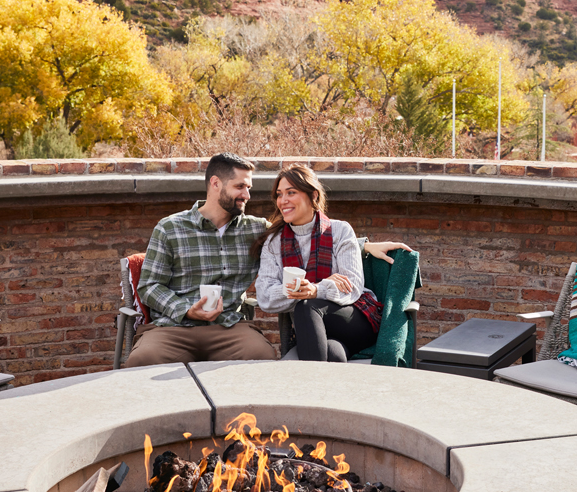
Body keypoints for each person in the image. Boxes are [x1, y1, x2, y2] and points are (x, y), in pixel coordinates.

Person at [125, 153, 407, 367]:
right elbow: (149, 287)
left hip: (228, 326)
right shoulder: (171, 228)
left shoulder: (256, 229)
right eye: (240, 187)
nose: (247, 195)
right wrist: (187, 310)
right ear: (215, 184)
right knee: (141, 362)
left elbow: (317, 234)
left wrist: (364, 246)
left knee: (262, 357)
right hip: (173, 328)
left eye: (249, 188)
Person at [254, 165, 405, 362]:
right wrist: (300, 289)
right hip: (313, 330)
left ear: (314, 196)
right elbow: (265, 297)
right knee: (334, 355)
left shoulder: (340, 231)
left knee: (306, 306)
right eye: (279, 194)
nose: (283, 201)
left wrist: (315, 290)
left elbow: (352, 285)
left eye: (291, 192)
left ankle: (312, 387)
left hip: (352, 318)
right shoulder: (274, 243)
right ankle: (323, 387)